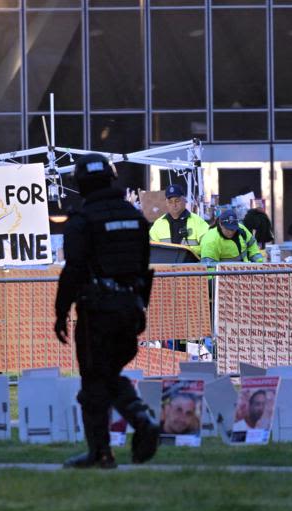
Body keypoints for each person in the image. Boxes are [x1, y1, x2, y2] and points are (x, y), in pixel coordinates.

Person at [55, 154, 162, 468]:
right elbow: (143, 268)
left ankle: (103, 449)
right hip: (130, 310)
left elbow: (73, 270)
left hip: (97, 312)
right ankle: (139, 422)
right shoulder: (135, 217)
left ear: (81, 183)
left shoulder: (83, 220)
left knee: (93, 381)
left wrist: (60, 312)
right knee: (108, 375)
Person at [148, 183, 209, 258]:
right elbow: (151, 250)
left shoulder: (198, 222)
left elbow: (209, 246)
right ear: (166, 203)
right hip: (165, 267)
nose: (174, 205)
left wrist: (189, 252)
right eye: (170, 202)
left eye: (177, 201)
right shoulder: (158, 224)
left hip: (191, 267)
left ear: (185, 200)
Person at [200, 208, 265, 264]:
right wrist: (212, 278)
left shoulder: (241, 229)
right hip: (223, 276)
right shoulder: (211, 240)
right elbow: (209, 267)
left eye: (233, 229)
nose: (230, 232)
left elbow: (252, 245)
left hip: (244, 272)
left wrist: (259, 262)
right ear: (220, 224)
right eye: (227, 229)